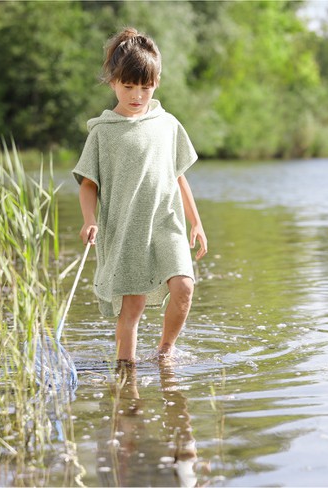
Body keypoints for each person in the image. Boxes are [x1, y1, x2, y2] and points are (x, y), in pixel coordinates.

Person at [73, 27, 207, 362]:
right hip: (127, 229)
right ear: (113, 82)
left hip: (167, 222)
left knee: (184, 287)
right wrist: (89, 219)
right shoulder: (103, 133)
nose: (136, 95)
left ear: (156, 83)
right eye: (128, 86)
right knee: (130, 310)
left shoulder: (167, 124)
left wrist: (196, 222)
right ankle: (126, 376)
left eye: (145, 87)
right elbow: (88, 184)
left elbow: (178, 176)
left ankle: (165, 350)